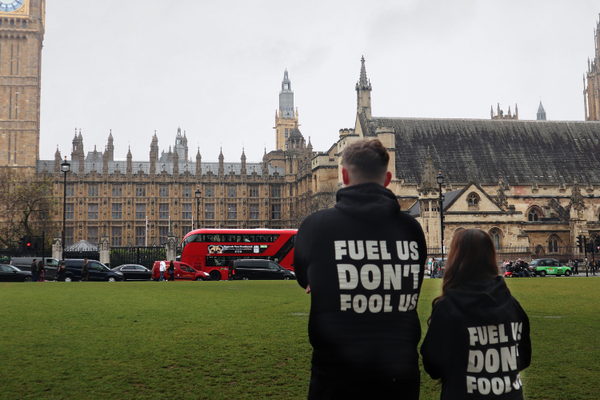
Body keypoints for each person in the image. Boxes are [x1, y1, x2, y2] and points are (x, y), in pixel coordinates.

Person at [294, 139, 427, 400]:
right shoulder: (412, 230)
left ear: (343, 175)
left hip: (335, 376)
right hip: (400, 376)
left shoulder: (315, 226)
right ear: (388, 178)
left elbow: (304, 279)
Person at [421, 229, 531, 399]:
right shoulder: (511, 303)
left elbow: (433, 363)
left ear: (455, 258)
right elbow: (523, 356)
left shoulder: (448, 306)